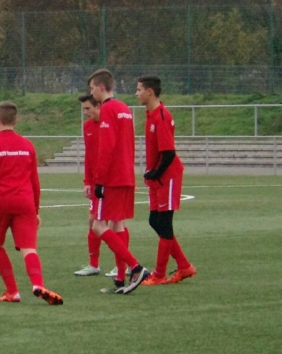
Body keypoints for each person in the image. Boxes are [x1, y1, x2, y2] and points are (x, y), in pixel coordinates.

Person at [0, 101, 63, 306]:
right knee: (29, 248)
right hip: (25, 201)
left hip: (0, 201)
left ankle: (12, 291)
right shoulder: (27, 145)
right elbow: (35, 181)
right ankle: (38, 284)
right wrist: (36, 209)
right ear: (16, 120)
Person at [87, 69, 151, 294]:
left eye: (92, 88)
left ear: (101, 87)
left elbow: (107, 146)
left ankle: (136, 267)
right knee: (118, 225)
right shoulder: (124, 108)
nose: (91, 93)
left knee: (98, 225)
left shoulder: (108, 109)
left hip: (112, 178)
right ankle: (120, 279)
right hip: (126, 175)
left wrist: (99, 180)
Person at [135, 75, 196, 285]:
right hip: (157, 179)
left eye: (139, 89)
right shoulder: (150, 115)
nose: (136, 93)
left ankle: (159, 274)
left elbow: (169, 153)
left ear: (150, 91)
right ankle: (184, 266)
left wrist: (155, 173)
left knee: (164, 223)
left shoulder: (161, 116)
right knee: (155, 221)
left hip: (167, 177)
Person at [73, 94, 129, 277]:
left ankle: (123, 265)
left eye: (88, 108)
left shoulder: (108, 123)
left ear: (99, 106)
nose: (85, 112)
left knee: (115, 221)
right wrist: (87, 181)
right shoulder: (87, 127)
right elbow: (89, 156)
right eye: (83, 109)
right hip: (97, 181)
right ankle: (94, 264)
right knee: (93, 221)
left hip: (111, 181)